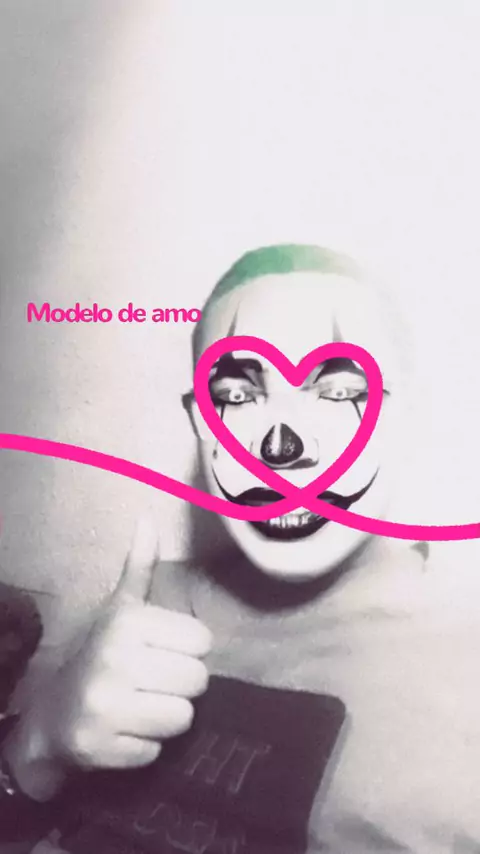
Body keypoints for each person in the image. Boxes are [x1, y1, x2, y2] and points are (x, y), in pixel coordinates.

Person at [4, 245, 480, 853]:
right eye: (237, 396)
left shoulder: (462, 667)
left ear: (403, 414)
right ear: (200, 423)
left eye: (337, 392)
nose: (281, 446)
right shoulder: (139, 608)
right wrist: (38, 746)